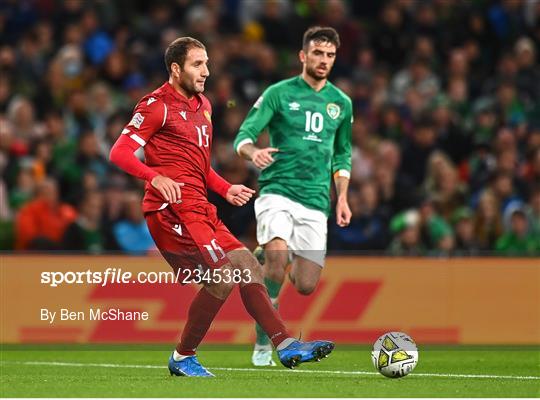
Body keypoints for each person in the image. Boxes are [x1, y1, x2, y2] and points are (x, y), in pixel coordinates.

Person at [109, 37, 334, 377]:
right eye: (197, 65)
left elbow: (198, 166)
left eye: (207, 64)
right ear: (175, 68)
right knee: (222, 277)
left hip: (200, 207)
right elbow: (120, 152)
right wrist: (154, 178)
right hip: (169, 210)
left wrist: (224, 188)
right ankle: (183, 356)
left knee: (246, 263)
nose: (206, 72)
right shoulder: (156, 105)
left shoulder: (205, 106)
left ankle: (286, 345)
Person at [233, 27, 352, 366]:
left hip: (316, 201)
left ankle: (267, 257)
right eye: (317, 53)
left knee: (305, 284)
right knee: (276, 259)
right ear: (303, 56)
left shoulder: (341, 104)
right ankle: (263, 342)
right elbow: (242, 136)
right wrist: (252, 152)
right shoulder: (278, 94)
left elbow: (342, 155)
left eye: (329, 55)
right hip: (277, 191)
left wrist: (342, 197)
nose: (323, 60)